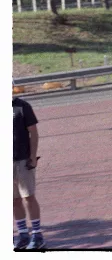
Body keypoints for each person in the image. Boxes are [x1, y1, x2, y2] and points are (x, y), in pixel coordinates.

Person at [13, 92, 45, 250]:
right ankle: (23, 234)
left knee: (28, 197)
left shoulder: (22, 107)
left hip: (22, 160)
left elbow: (33, 132)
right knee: (13, 200)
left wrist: (32, 155)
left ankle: (37, 234)